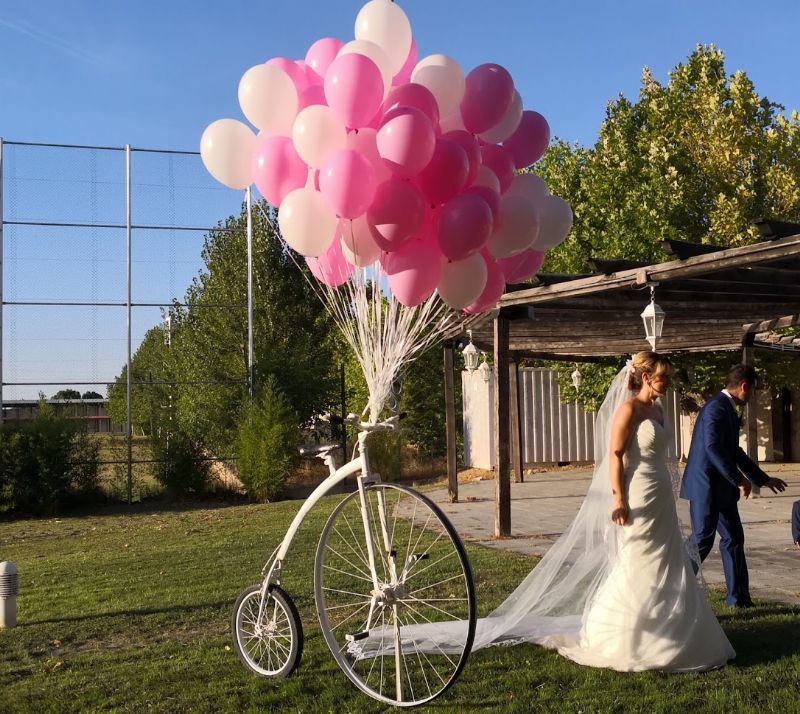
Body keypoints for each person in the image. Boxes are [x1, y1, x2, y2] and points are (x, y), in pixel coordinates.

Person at [365, 352, 734, 672]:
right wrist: (618, 498)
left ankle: (677, 628)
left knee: (668, 557)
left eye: (668, 377)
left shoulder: (656, 409)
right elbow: (616, 456)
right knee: (640, 558)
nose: (667, 382)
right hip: (635, 492)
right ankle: (628, 632)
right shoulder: (629, 410)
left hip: (659, 495)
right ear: (645, 377)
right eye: (663, 377)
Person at [681, 365, 788, 608]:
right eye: (753, 390)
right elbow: (712, 449)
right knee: (702, 539)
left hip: (722, 489)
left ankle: (738, 599)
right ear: (744, 386)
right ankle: (673, 585)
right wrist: (739, 479)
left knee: (734, 538)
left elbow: (734, 451)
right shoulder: (716, 408)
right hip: (705, 487)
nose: (752, 396)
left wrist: (762, 479)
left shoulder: (726, 408)